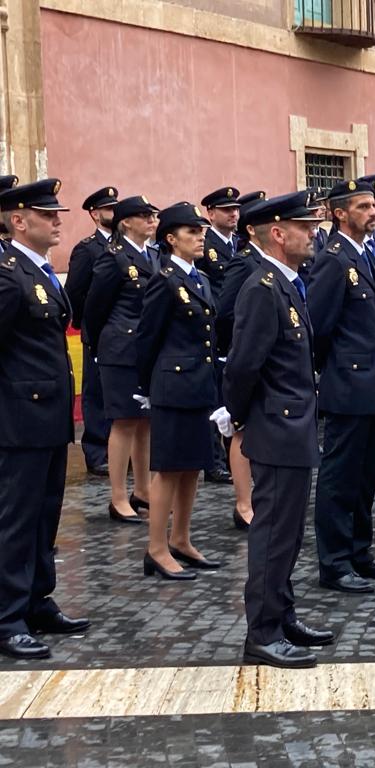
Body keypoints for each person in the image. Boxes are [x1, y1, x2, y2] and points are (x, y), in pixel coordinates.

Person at [220, 191, 335, 669]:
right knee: (272, 532)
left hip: (292, 423)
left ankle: (282, 613)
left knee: (288, 533)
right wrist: (239, 414)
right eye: (304, 228)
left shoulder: (287, 283)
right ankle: (262, 632)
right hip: (276, 425)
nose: (313, 235)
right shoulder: (262, 288)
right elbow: (245, 365)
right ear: (277, 233)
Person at [0, 177, 91, 661]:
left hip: (50, 418)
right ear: (18, 220)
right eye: (47, 213)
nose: (58, 219)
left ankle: (37, 599)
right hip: (18, 418)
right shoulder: (6, 272)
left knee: (44, 515)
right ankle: (8, 616)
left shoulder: (34, 272)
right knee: (16, 520)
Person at [308, 178, 375, 593]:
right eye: (363, 207)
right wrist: (339, 370)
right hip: (348, 383)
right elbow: (320, 326)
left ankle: (360, 552)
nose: (374, 213)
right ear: (339, 213)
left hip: (372, 383)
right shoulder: (333, 258)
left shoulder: (369, 252)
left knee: (365, 475)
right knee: (340, 477)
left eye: (374, 206)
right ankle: (335, 562)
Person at [134, 203, 222, 580]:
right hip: (172, 386)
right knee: (169, 469)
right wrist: (148, 387)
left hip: (198, 384)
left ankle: (181, 539)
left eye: (201, 231)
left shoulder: (198, 279)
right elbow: (147, 338)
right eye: (191, 232)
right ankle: (156, 548)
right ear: (171, 239)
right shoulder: (165, 279)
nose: (200, 236)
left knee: (192, 468)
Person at [84, 195, 160, 524]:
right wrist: (101, 346)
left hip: (145, 349)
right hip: (120, 349)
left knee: (144, 422)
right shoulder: (112, 258)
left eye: (153, 215)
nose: (152, 221)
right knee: (124, 422)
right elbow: (94, 308)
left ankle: (142, 490)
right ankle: (117, 497)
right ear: (126, 222)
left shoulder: (153, 256)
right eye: (144, 216)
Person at [214, 191, 266, 531]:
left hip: (265, 355)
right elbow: (226, 311)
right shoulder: (244, 261)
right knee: (241, 430)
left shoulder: (267, 261)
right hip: (242, 351)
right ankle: (244, 504)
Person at [65, 186, 119, 477]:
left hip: (124, 333)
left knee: (121, 392)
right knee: (96, 393)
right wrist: (91, 322)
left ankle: (123, 451)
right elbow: (74, 292)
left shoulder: (125, 247)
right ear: (95, 214)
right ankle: (97, 450)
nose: (115, 212)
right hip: (98, 331)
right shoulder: (87, 249)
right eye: (108, 209)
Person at [196, 186, 241, 486]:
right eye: (226, 210)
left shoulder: (240, 243)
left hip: (239, 329)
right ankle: (214, 462)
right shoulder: (205, 244)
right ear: (211, 213)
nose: (233, 214)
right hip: (216, 331)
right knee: (214, 399)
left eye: (236, 209)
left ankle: (231, 455)